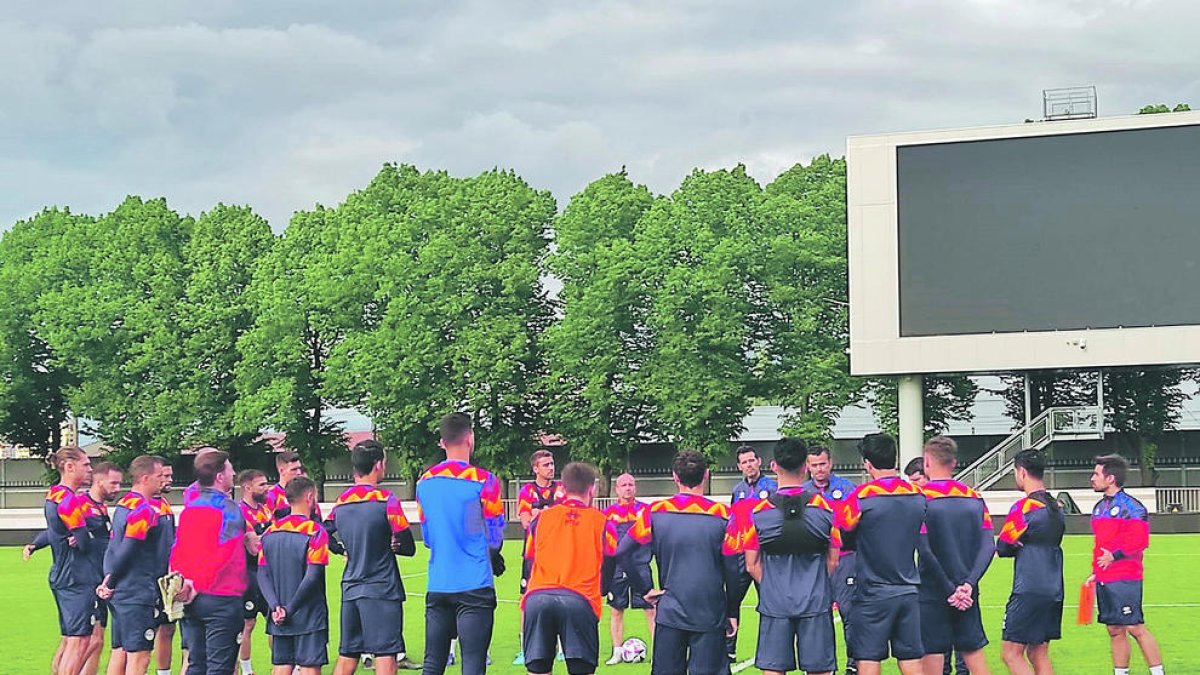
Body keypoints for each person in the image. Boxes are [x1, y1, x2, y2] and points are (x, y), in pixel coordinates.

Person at [619, 449, 739, 675]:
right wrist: (732, 611)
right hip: (710, 613)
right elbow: (733, 568)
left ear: (675, 476)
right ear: (706, 474)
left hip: (670, 610)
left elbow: (623, 552)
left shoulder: (654, 512)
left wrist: (644, 588)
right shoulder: (724, 515)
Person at [725, 437, 838, 675]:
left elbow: (751, 564)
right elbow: (833, 559)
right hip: (815, 601)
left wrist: (773, 585)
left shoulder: (758, 513)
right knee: (820, 670)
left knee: (773, 669)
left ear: (774, 466)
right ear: (806, 467)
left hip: (774, 602)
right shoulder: (826, 509)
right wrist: (813, 582)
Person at [415, 412, 505, 675]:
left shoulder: (425, 482)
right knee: (473, 663)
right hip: (474, 583)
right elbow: (495, 536)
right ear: (470, 438)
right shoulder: (484, 480)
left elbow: (429, 539)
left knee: (433, 662)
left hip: (439, 583)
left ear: (442, 442)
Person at [835, 433, 926, 675]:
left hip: (872, 591)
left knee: (868, 658)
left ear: (867, 463)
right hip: (908, 588)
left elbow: (843, 534)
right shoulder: (917, 494)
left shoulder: (860, 496)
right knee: (911, 659)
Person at [326, 439, 418, 675]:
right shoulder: (387, 501)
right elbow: (408, 546)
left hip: (351, 587)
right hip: (382, 589)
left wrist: (340, 549)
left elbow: (321, 533)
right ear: (379, 464)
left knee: (348, 655)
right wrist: (395, 545)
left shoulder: (341, 502)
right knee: (386, 655)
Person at [522, 461, 618, 675]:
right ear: (592, 489)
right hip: (579, 599)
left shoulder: (540, 520)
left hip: (539, 596)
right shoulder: (603, 522)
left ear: (562, 489)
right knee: (581, 669)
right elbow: (611, 561)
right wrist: (602, 590)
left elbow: (529, 559)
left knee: (538, 669)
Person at [169, 450, 251, 675]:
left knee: (196, 663)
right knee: (220, 667)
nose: (233, 472)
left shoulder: (189, 509)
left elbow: (177, 550)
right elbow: (224, 551)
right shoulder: (229, 509)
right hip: (221, 597)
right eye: (229, 468)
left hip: (192, 597)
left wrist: (183, 581)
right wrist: (199, 582)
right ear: (219, 476)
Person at [918, 436, 994, 675]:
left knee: (933, 653)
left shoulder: (921, 499)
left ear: (926, 461)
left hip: (933, 589)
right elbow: (988, 546)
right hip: (967, 591)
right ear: (953, 463)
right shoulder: (974, 497)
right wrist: (968, 585)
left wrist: (949, 589)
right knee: (973, 651)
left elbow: (924, 549)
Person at [1089, 454, 1165, 675]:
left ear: (1110, 478)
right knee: (1114, 629)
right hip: (1105, 577)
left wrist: (1114, 555)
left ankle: (1157, 672)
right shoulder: (1098, 507)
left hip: (1126, 577)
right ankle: (1121, 672)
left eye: (1096, 474)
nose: (1092, 478)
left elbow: (1141, 541)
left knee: (1135, 627)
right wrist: (1095, 572)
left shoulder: (1132, 507)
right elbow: (1100, 545)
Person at [997, 449, 1064, 675]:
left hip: (1029, 588)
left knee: (1011, 653)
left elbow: (1003, 546)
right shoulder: (1057, 507)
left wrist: (1016, 543)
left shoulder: (1024, 508)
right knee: (1038, 653)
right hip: (1053, 587)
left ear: (1022, 472)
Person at [101, 454, 168, 675]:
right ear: (144, 477)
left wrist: (109, 578)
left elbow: (113, 549)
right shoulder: (143, 510)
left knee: (119, 651)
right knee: (140, 656)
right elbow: (128, 549)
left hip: (123, 590)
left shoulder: (124, 504)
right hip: (137, 591)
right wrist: (111, 581)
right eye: (159, 476)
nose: (163, 480)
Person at [258, 476, 331, 675]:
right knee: (309, 666)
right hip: (308, 615)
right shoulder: (315, 532)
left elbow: (262, 574)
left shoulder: (270, 532)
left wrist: (275, 607)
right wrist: (290, 609)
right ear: (309, 497)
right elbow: (312, 576)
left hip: (278, 614)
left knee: (281, 666)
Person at [903, 459, 966, 675]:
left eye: (917, 479)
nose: (915, 485)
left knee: (963, 638)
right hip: (934, 578)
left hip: (954, 577)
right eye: (911, 481)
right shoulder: (921, 503)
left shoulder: (951, 501)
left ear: (928, 472)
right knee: (936, 639)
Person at [802, 444, 858, 675]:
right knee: (818, 615)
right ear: (807, 466)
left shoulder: (846, 488)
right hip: (815, 562)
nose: (819, 469)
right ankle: (825, 665)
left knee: (849, 612)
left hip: (845, 559)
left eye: (822, 464)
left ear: (830, 463)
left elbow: (856, 523)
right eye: (814, 465)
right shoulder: (803, 491)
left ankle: (853, 663)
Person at [40, 447, 96, 675]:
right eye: (86, 465)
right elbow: (85, 542)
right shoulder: (69, 501)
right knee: (80, 641)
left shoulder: (53, 495)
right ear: (69, 467)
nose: (90, 469)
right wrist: (87, 536)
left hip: (63, 574)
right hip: (76, 576)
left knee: (70, 639)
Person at [514, 449, 565, 666]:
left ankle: (563, 647)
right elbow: (526, 522)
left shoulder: (562, 489)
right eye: (546, 465)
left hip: (559, 553)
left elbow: (566, 517)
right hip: (533, 554)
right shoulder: (527, 491)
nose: (551, 468)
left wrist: (539, 514)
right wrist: (550, 514)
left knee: (563, 597)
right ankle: (525, 647)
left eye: (552, 464)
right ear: (535, 468)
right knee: (527, 599)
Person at [727, 445, 777, 663]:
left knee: (768, 602)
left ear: (759, 461)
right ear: (739, 466)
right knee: (731, 601)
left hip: (764, 555)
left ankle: (769, 648)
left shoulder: (772, 487)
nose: (748, 465)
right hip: (741, 553)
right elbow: (732, 521)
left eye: (751, 460)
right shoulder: (737, 490)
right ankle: (729, 649)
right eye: (744, 462)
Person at [602, 473, 656, 666]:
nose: (627, 488)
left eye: (630, 485)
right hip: (617, 569)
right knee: (616, 609)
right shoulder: (608, 513)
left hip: (641, 567)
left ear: (635, 488)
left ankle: (658, 651)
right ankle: (617, 651)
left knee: (650, 609)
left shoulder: (646, 511)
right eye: (623, 485)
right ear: (617, 489)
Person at [237, 469, 274, 675]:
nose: (266, 488)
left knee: (274, 619)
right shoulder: (240, 511)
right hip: (248, 573)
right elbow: (253, 547)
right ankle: (247, 669)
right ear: (247, 487)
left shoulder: (266, 510)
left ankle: (281, 664)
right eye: (261, 484)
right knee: (248, 622)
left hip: (267, 572)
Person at [153, 462, 181, 675]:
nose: (170, 480)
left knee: (168, 626)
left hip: (166, 576)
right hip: (148, 579)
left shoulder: (163, 504)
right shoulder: (142, 507)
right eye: (165, 476)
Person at [267, 451, 324, 523]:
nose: (298, 472)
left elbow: (317, 518)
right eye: (294, 469)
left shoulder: (306, 492)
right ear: (281, 471)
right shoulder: (271, 496)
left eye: (299, 468)